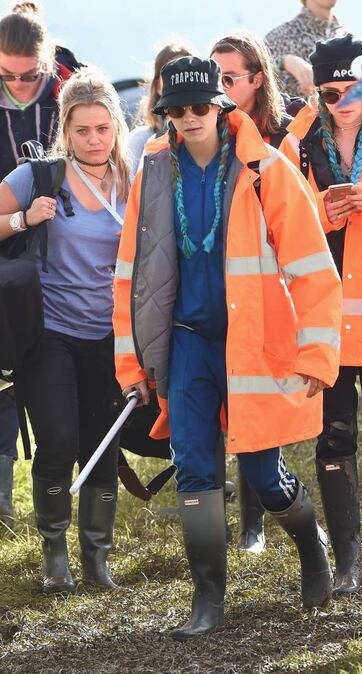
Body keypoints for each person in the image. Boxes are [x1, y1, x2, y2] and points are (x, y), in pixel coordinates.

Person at [113, 55, 343, 639]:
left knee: (263, 475)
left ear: (220, 106)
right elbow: (131, 277)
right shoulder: (153, 171)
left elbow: (315, 270)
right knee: (194, 465)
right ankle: (208, 598)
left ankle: (312, 550)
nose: (187, 118)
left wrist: (317, 354)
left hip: (255, 344)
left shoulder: (265, 167)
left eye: (198, 107)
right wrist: (130, 364)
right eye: (174, 109)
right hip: (187, 345)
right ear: (162, 113)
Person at [0, 67, 130, 593]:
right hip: (49, 330)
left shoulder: (138, 178)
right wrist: (23, 219)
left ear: (116, 127)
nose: (94, 139)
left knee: (102, 444)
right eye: (82, 130)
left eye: (102, 128)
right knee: (58, 440)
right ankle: (55, 553)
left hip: (112, 334)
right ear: (67, 131)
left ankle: (97, 556)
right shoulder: (39, 176)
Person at [279, 34, 362, 596]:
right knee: (334, 438)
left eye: (355, 88)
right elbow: (275, 220)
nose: (343, 100)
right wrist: (321, 211)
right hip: (324, 316)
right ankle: (348, 563)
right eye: (329, 91)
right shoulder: (297, 142)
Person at [210, 31, 306, 554]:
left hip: (274, 293)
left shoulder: (280, 137)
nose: (219, 88)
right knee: (237, 407)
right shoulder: (203, 134)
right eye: (214, 75)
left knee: (259, 409)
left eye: (229, 78)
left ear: (257, 80)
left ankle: (275, 517)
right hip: (224, 294)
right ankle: (251, 526)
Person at [0, 1, 73, 533]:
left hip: (66, 251)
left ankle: (68, 482)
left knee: (57, 366)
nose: (21, 85)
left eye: (31, 75)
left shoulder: (71, 89)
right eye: (7, 75)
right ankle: (2, 498)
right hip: (5, 245)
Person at [128, 42, 192, 175]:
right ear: (158, 86)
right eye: (171, 76)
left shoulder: (209, 137)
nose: (178, 82)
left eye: (185, 75)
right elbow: (131, 192)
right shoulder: (140, 140)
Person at [265, 0, 342, 99]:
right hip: (298, 113)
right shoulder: (279, 35)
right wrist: (284, 61)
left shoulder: (347, 38)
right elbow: (258, 77)